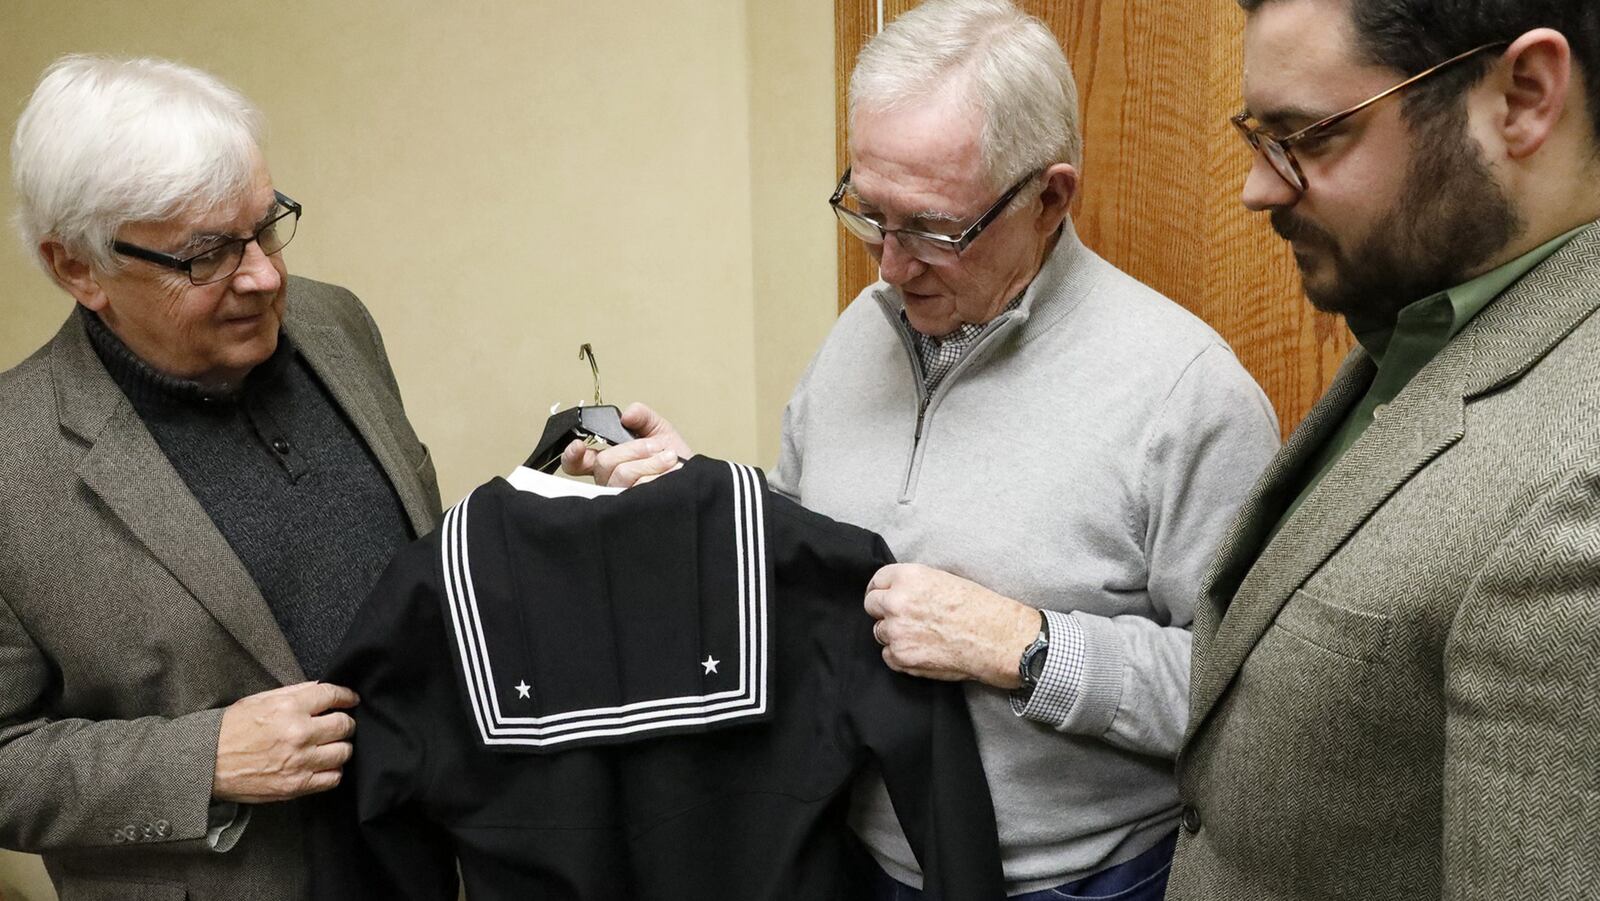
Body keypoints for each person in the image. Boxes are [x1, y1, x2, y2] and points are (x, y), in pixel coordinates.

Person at [563, 1, 1280, 896]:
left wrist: (1026, 645)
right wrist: (705, 492)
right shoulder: (859, 332)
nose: (889, 266)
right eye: (870, 213)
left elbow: (1255, 700)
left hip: (1080, 883)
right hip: (852, 855)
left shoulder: (1189, 394)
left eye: (934, 229)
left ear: (1050, 197)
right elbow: (813, 538)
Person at [1169, 1, 1600, 898]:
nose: (1257, 188)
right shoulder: (1427, 317)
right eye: (1259, 136)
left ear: (1525, 96)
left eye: (1310, 136)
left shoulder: (1577, 485)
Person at [0, 56, 441, 900]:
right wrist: (200, 761)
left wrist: (558, 503)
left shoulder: (336, 321)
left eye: (265, 226)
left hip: (432, 859)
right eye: (206, 255)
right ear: (78, 268)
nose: (265, 276)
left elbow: (418, 572)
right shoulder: (10, 462)